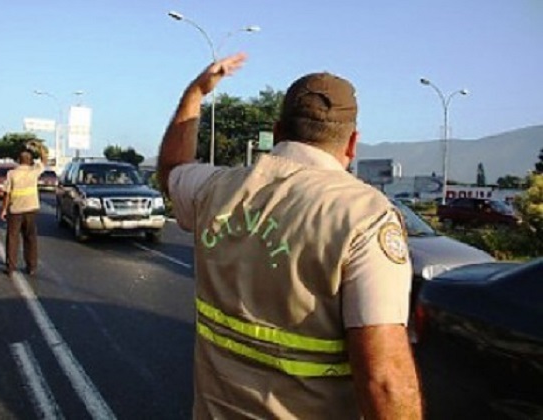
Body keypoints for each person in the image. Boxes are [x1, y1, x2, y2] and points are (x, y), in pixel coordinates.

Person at [157, 53, 423, 419]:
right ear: (352, 143)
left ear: (278, 132)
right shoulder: (365, 217)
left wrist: (196, 93)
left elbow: (172, 169)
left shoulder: (215, 188)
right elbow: (385, 381)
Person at [0, 142, 48, 276]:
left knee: (12, 238)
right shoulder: (34, 171)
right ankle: (31, 267)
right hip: (31, 210)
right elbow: (45, 159)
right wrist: (39, 147)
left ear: (18, 161)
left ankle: (10, 267)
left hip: (15, 210)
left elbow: (7, 193)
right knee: (31, 239)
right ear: (30, 161)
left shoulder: (12, 174)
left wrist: (4, 209)